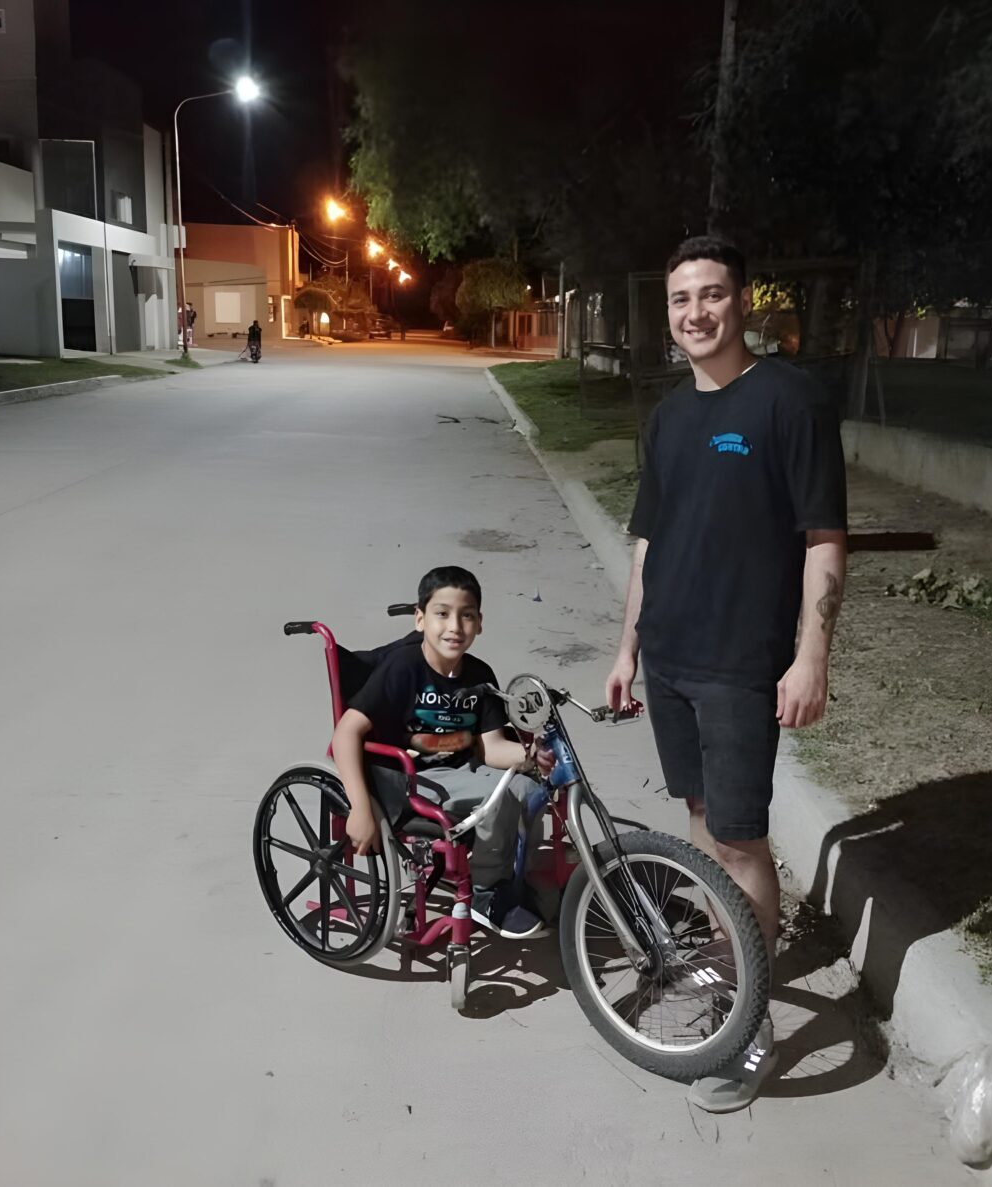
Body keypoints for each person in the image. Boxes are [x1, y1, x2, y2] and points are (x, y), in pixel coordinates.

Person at [604, 235, 847, 1112]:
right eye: (680, 300)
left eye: (711, 294)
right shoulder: (669, 417)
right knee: (706, 826)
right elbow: (648, 540)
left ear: (743, 301)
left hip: (742, 666)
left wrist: (810, 654)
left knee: (741, 840)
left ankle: (752, 1024)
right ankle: (728, 969)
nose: (696, 313)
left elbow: (824, 536)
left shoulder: (789, 399)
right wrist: (628, 649)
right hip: (668, 658)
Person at [332, 566, 554, 938]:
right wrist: (359, 807)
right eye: (442, 614)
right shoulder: (401, 669)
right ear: (420, 619)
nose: (455, 626)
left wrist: (528, 757)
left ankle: (514, 881)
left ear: (479, 623)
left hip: (463, 769)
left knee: (530, 791)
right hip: (411, 780)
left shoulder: (479, 675)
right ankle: (487, 893)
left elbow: (491, 746)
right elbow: (345, 734)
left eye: (466, 615)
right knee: (496, 800)